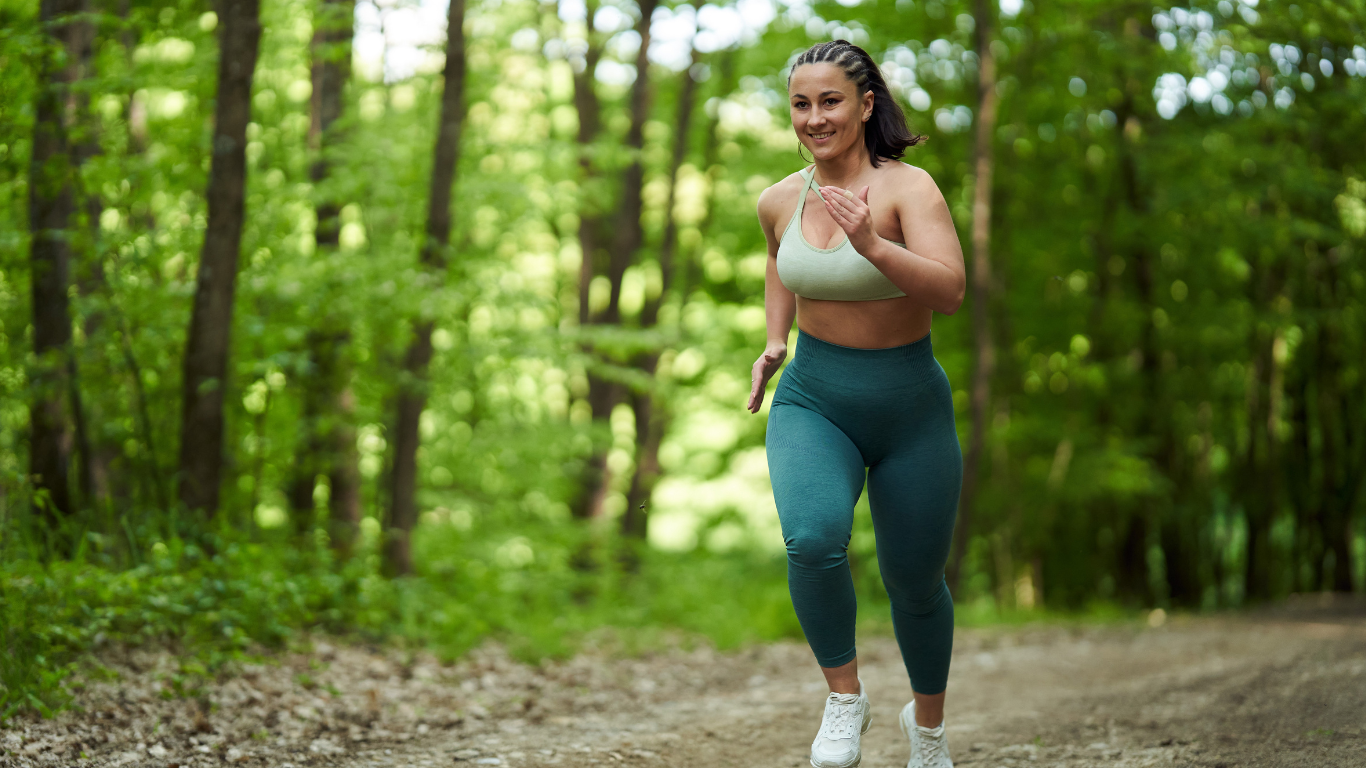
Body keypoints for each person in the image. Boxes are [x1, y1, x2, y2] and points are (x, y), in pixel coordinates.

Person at [747, 40, 967, 768]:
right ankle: (845, 699)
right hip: (816, 398)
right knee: (811, 540)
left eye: (830, 101)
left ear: (866, 106)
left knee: (915, 580)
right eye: (802, 104)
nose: (815, 118)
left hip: (911, 409)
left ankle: (927, 731)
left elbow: (950, 291)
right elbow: (783, 267)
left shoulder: (911, 191)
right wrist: (775, 341)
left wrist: (872, 243)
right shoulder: (778, 198)